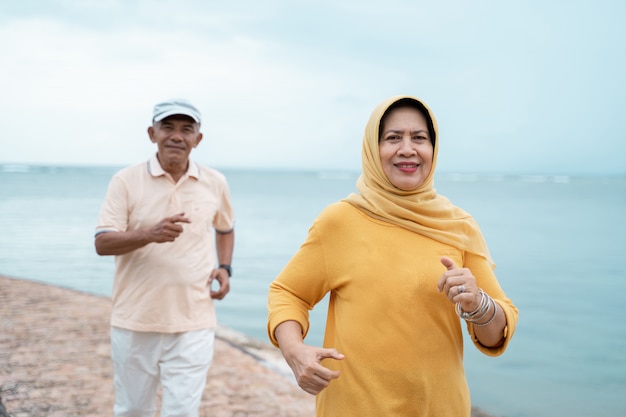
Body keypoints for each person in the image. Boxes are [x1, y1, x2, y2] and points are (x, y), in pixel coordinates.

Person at [267, 95, 518, 416]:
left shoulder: (459, 226)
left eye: (420, 138)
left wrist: (478, 302)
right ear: (373, 148)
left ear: (433, 149)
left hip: (440, 408)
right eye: (393, 138)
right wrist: (294, 351)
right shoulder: (339, 221)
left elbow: (497, 332)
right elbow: (288, 293)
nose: (407, 149)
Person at [95, 98, 235, 417]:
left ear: (198, 139)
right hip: (135, 319)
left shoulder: (215, 182)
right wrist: (149, 234)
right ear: (151, 133)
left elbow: (225, 227)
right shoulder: (125, 180)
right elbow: (102, 243)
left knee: (183, 411)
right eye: (167, 127)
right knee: (132, 410)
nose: (176, 136)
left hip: (195, 319)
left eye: (187, 129)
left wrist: (225, 267)